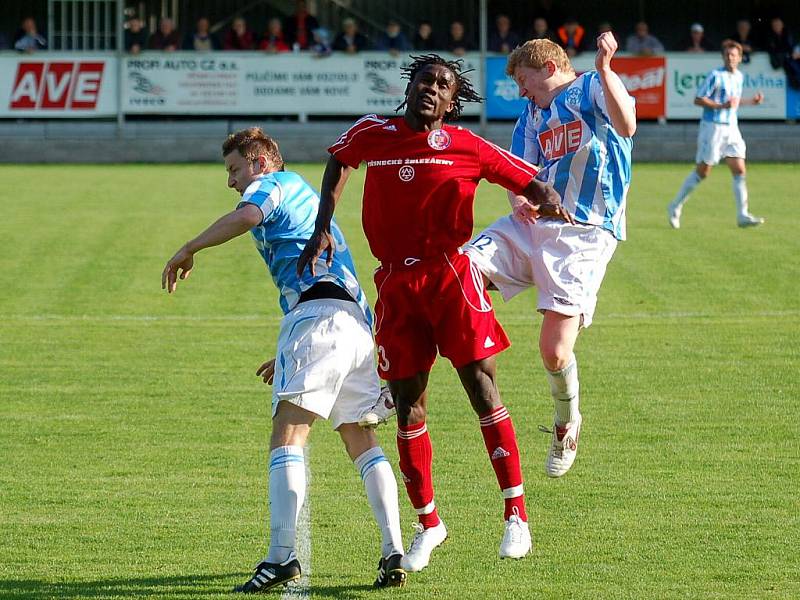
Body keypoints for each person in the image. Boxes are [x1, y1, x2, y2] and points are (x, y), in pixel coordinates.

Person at [297, 54, 572, 572]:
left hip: (452, 279)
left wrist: (549, 198)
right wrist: (322, 227)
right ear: (411, 86)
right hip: (396, 286)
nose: (433, 88)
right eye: (426, 79)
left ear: (452, 100)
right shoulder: (372, 133)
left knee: (482, 389)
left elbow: (527, 180)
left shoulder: (467, 145)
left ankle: (516, 514)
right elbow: (338, 163)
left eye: (444, 85)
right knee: (408, 406)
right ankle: (429, 523)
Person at [161, 128, 407, 592]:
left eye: (235, 169)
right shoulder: (307, 197)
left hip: (318, 320)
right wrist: (293, 353)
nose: (232, 182)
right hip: (353, 325)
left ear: (259, 161)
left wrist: (189, 247)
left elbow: (250, 216)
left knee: (288, 436)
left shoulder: (273, 183)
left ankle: (280, 557)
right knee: (361, 439)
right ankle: (392, 550)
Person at [466, 35, 636, 478]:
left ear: (545, 66)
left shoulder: (592, 88)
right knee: (458, 270)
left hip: (583, 232)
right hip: (531, 226)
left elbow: (628, 124)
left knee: (555, 353)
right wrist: (516, 198)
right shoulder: (531, 113)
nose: (521, 91)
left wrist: (604, 68)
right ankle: (404, 380)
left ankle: (567, 423)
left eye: (524, 81)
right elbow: (517, 172)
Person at [667, 41, 765, 229]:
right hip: (713, 128)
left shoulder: (739, 77)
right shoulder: (715, 76)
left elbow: (732, 102)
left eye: (734, 55)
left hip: (732, 128)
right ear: (723, 56)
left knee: (739, 170)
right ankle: (675, 205)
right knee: (703, 172)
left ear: (740, 57)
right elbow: (698, 99)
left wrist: (751, 102)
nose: (730, 58)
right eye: (727, 55)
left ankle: (742, 214)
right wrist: (720, 106)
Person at [765, 17, 800, 89]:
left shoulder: (791, 34)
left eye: (778, 24)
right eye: (774, 25)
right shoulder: (770, 38)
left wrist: (797, 52)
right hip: (786, 63)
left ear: (782, 25)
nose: (776, 27)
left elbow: (795, 45)